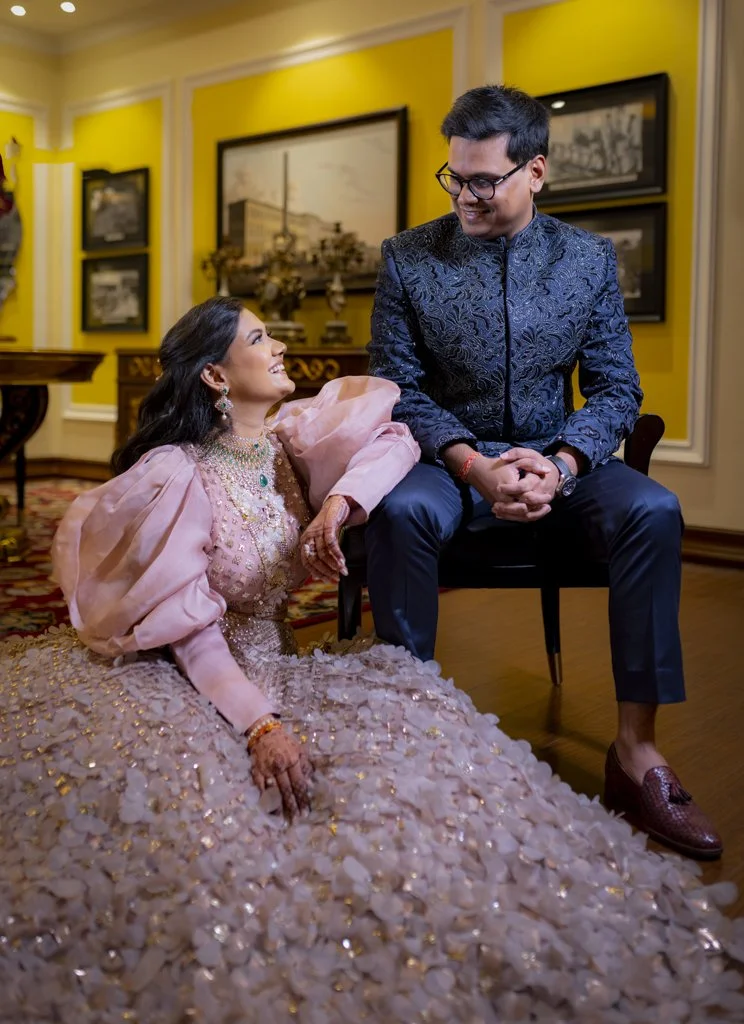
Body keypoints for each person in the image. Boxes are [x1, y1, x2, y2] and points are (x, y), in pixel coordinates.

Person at [0, 296, 741, 1022]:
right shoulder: (178, 473)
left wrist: (339, 505)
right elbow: (195, 636)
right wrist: (261, 727)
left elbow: (396, 439)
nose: (279, 346)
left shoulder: (287, 438)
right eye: (259, 339)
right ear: (217, 378)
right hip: (204, 678)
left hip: (284, 657)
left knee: (425, 737)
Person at [366, 84, 721, 861]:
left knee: (655, 510)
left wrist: (559, 464)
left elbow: (617, 388)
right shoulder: (405, 259)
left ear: (536, 171)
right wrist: (470, 463)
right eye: (453, 177)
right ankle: (409, 739)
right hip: (444, 459)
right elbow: (396, 386)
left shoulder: (588, 261)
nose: (464, 195)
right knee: (400, 515)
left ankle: (636, 754)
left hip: (558, 455)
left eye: (483, 180)